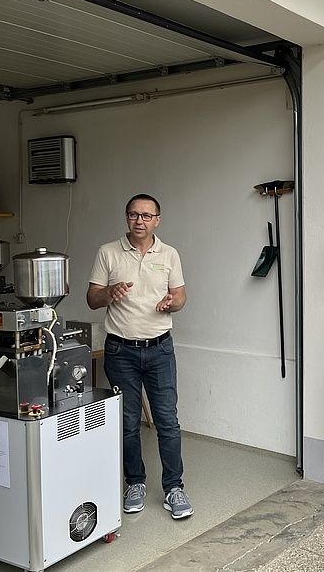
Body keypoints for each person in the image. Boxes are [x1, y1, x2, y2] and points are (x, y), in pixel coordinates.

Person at [87, 193, 192, 520]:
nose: (140, 221)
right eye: (134, 215)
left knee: (167, 422)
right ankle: (134, 483)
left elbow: (180, 297)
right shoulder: (108, 252)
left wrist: (170, 304)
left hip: (160, 349)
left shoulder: (170, 254)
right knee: (128, 422)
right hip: (120, 351)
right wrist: (109, 293)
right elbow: (92, 298)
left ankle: (174, 487)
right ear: (126, 217)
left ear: (157, 220)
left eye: (147, 216)